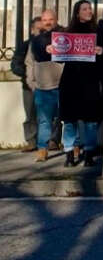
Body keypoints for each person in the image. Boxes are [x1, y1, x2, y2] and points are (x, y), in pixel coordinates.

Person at [54, 0, 103, 167]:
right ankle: (69, 153)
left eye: (90, 8)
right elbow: (60, 57)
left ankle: (89, 152)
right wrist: (52, 50)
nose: (89, 11)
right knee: (69, 120)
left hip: (90, 81)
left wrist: (101, 51)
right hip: (70, 81)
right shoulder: (67, 32)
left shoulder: (99, 31)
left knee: (90, 120)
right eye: (84, 9)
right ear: (77, 13)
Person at [25, 9, 64, 162]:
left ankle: (73, 147)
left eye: (50, 19)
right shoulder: (36, 40)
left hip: (63, 85)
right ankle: (43, 149)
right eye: (45, 19)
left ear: (56, 19)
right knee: (44, 120)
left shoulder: (65, 35)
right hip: (42, 87)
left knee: (69, 120)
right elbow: (31, 62)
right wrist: (32, 83)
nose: (47, 22)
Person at [10, 17, 41, 152]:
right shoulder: (24, 45)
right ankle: (31, 141)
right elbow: (15, 64)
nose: (41, 32)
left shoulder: (50, 44)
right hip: (28, 86)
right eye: (39, 29)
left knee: (50, 115)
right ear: (32, 30)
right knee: (30, 114)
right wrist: (26, 74)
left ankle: (51, 141)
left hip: (47, 84)